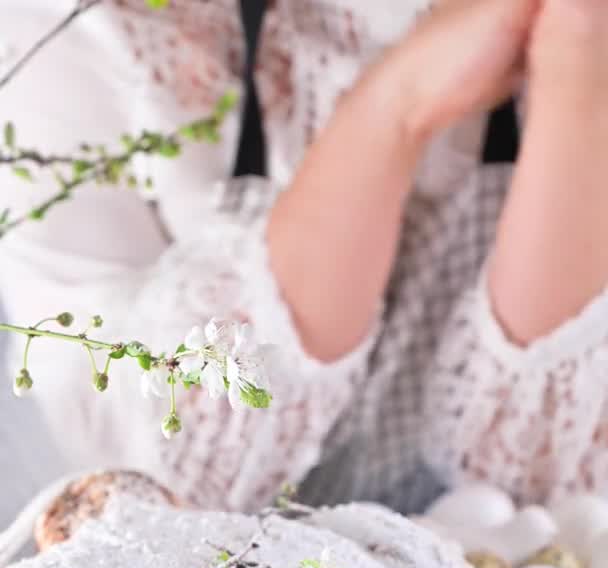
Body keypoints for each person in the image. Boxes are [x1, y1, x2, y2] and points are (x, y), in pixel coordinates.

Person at [1, 0, 607, 515]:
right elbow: (152, 490)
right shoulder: (79, 30)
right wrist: (391, 110)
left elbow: (546, 497)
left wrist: (579, 60)